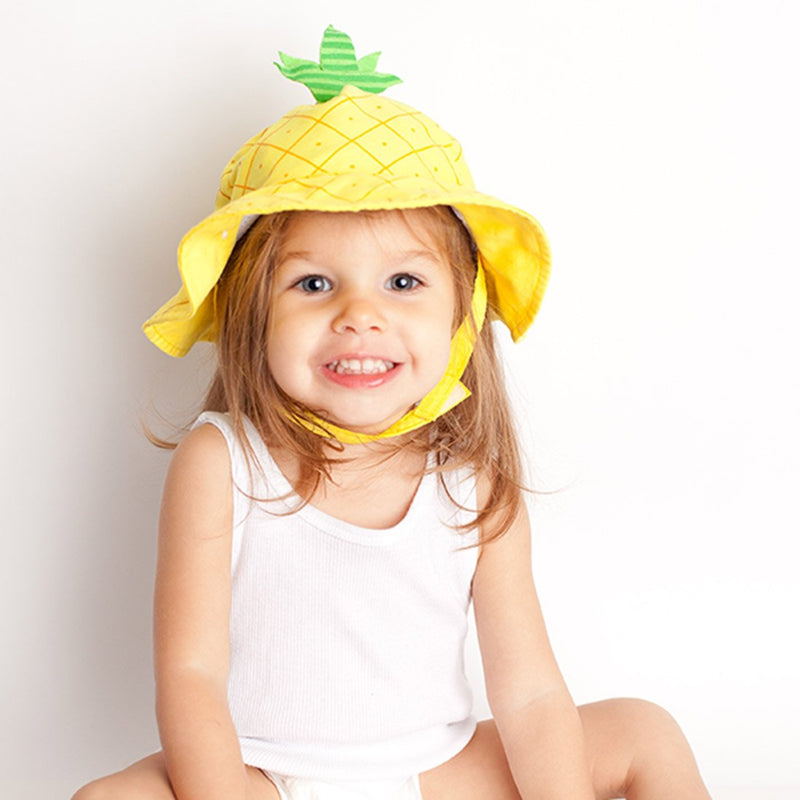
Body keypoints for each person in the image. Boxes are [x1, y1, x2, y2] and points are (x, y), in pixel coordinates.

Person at [73, 26, 712, 800]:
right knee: (108, 799)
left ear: (461, 316)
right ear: (251, 314)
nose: (360, 315)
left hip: (434, 775)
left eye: (403, 283)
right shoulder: (223, 460)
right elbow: (191, 678)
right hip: (265, 778)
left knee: (645, 730)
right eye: (314, 284)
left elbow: (531, 694)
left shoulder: (473, 482)